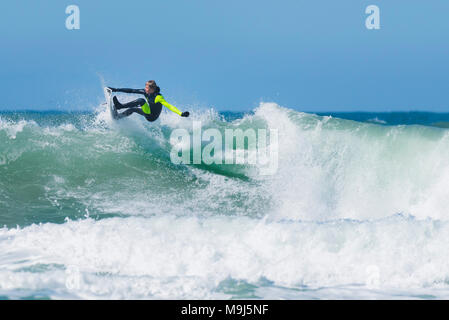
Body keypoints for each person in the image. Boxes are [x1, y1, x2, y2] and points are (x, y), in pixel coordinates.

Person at [107, 80, 189, 121]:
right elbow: (131, 90)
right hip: (147, 111)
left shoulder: (158, 97)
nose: (145, 89)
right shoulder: (145, 92)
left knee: (141, 100)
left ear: (152, 89)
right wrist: (115, 89)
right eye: (145, 87)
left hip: (152, 117)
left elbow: (169, 106)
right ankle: (118, 117)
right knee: (132, 109)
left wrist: (181, 113)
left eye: (147, 88)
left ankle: (120, 106)